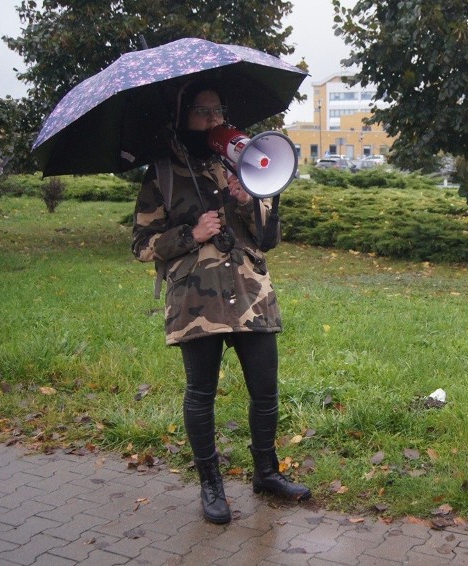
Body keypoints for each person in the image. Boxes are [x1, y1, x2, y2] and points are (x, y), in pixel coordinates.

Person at [132, 81, 310, 525]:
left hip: (251, 295)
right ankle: (211, 485)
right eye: (203, 112)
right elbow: (140, 245)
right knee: (201, 393)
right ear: (183, 117)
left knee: (265, 390)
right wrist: (188, 235)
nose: (214, 120)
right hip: (197, 299)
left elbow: (269, 239)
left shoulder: (242, 162)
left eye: (218, 111)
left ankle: (266, 473)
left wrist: (251, 201)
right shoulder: (163, 175)